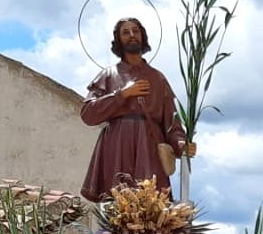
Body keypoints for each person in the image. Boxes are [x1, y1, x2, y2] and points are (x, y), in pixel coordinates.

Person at [79, 17, 194, 203]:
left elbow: (172, 122)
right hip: (117, 145)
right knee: (117, 202)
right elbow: (88, 114)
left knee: (150, 203)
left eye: (135, 31)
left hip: (149, 147)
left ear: (143, 36)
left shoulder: (158, 78)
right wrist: (122, 95)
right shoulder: (108, 75)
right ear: (118, 40)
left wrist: (181, 144)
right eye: (125, 32)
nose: (131, 35)